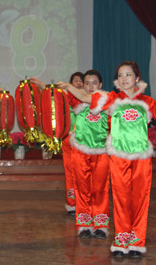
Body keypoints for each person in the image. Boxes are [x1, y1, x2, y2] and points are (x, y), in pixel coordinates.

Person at [62, 61, 156, 258]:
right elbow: (86, 97)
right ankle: (120, 241)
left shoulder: (146, 101)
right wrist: (69, 87)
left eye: (128, 74)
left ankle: (136, 242)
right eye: (120, 75)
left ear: (137, 78)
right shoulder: (112, 99)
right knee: (120, 200)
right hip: (119, 159)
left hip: (141, 159)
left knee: (140, 200)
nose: (124, 78)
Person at [57, 70, 111, 239]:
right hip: (80, 153)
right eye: (87, 83)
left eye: (94, 83)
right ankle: (84, 225)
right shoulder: (77, 100)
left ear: (100, 85)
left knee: (100, 189)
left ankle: (101, 225)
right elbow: (56, 93)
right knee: (82, 189)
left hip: (101, 153)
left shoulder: (107, 100)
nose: (90, 86)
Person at [63, 71, 84, 215]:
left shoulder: (89, 99)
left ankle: (85, 204)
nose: (79, 83)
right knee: (70, 172)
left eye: (81, 81)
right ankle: (72, 203)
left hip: (85, 141)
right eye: (76, 80)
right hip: (69, 140)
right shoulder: (66, 97)